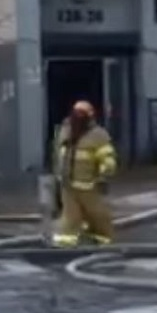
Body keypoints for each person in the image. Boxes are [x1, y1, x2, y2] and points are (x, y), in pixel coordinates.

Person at [51, 100, 117, 247]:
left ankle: (100, 237)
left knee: (96, 214)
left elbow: (107, 157)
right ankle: (66, 240)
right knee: (70, 215)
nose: (78, 117)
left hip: (89, 183)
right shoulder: (65, 131)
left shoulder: (98, 135)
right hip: (68, 184)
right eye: (76, 113)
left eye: (81, 114)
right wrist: (58, 176)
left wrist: (105, 173)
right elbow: (58, 155)